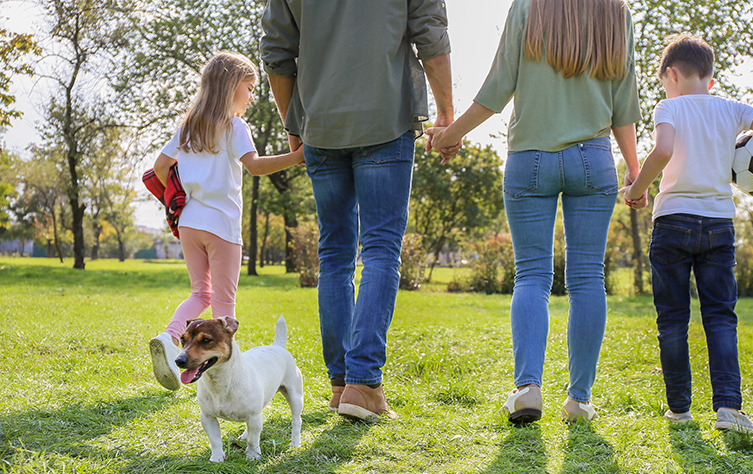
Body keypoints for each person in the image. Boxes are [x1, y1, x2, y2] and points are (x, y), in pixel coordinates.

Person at [428, 0, 640, 424]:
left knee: (532, 276)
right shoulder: (617, 12)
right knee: (587, 277)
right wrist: (636, 171)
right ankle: (579, 400)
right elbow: (624, 102)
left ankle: (527, 389)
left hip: (530, 160)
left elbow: (497, 87)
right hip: (593, 160)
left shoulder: (528, 6)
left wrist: (449, 134)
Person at [260, 0, 458, 422]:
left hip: (320, 125)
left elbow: (277, 51)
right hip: (385, 119)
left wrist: (294, 125)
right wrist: (446, 112)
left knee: (334, 255)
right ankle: (363, 383)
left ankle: (340, 385)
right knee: (382, 249)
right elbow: (431, 34)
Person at [621, 33, 753, 433]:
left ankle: (679, 410)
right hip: (718, 223)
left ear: (670, 74)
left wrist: (637, 190)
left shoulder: (667, 108)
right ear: (711, 79)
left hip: (671, 222)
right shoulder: (731, 109)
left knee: (672, 319)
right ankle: (728, 409)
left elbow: (664, 151)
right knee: (721, 317)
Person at [149, 51, 304, 391]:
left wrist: (177, 195)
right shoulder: (234, 125)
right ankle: (230, 381)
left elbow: (160, 168)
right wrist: (296, 157)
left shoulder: (188, 126)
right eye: (249, 88)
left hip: (189, 222)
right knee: (223, 307)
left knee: (198, 292)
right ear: (232, 86)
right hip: (222, 226)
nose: (251, 97)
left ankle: (170, 336)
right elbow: (255, 165)